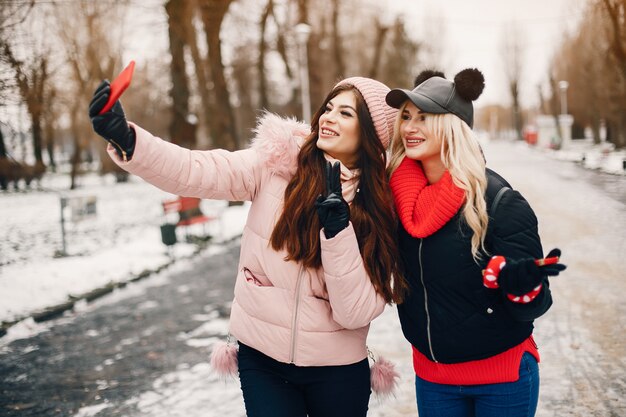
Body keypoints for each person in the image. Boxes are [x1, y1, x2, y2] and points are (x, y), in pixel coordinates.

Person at [89, 75, 407, 417]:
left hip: (338, 371)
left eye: (346, 114)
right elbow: (196, 170)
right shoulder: (276, 165)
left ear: (371, 134)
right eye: (328, 108)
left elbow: (354, 313)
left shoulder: (382, 206)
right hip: (263, 360)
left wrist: (338, 232)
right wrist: (129, 141)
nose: (328, 117)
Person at [384, 69, 567, 417]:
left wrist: (521, 285)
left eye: (423, 118)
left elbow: (536, 301)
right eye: (405, 117)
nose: (409, 127)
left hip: (502, 380)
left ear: (452, 125)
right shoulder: (396, 199)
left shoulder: (498, 201)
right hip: (434, 380)